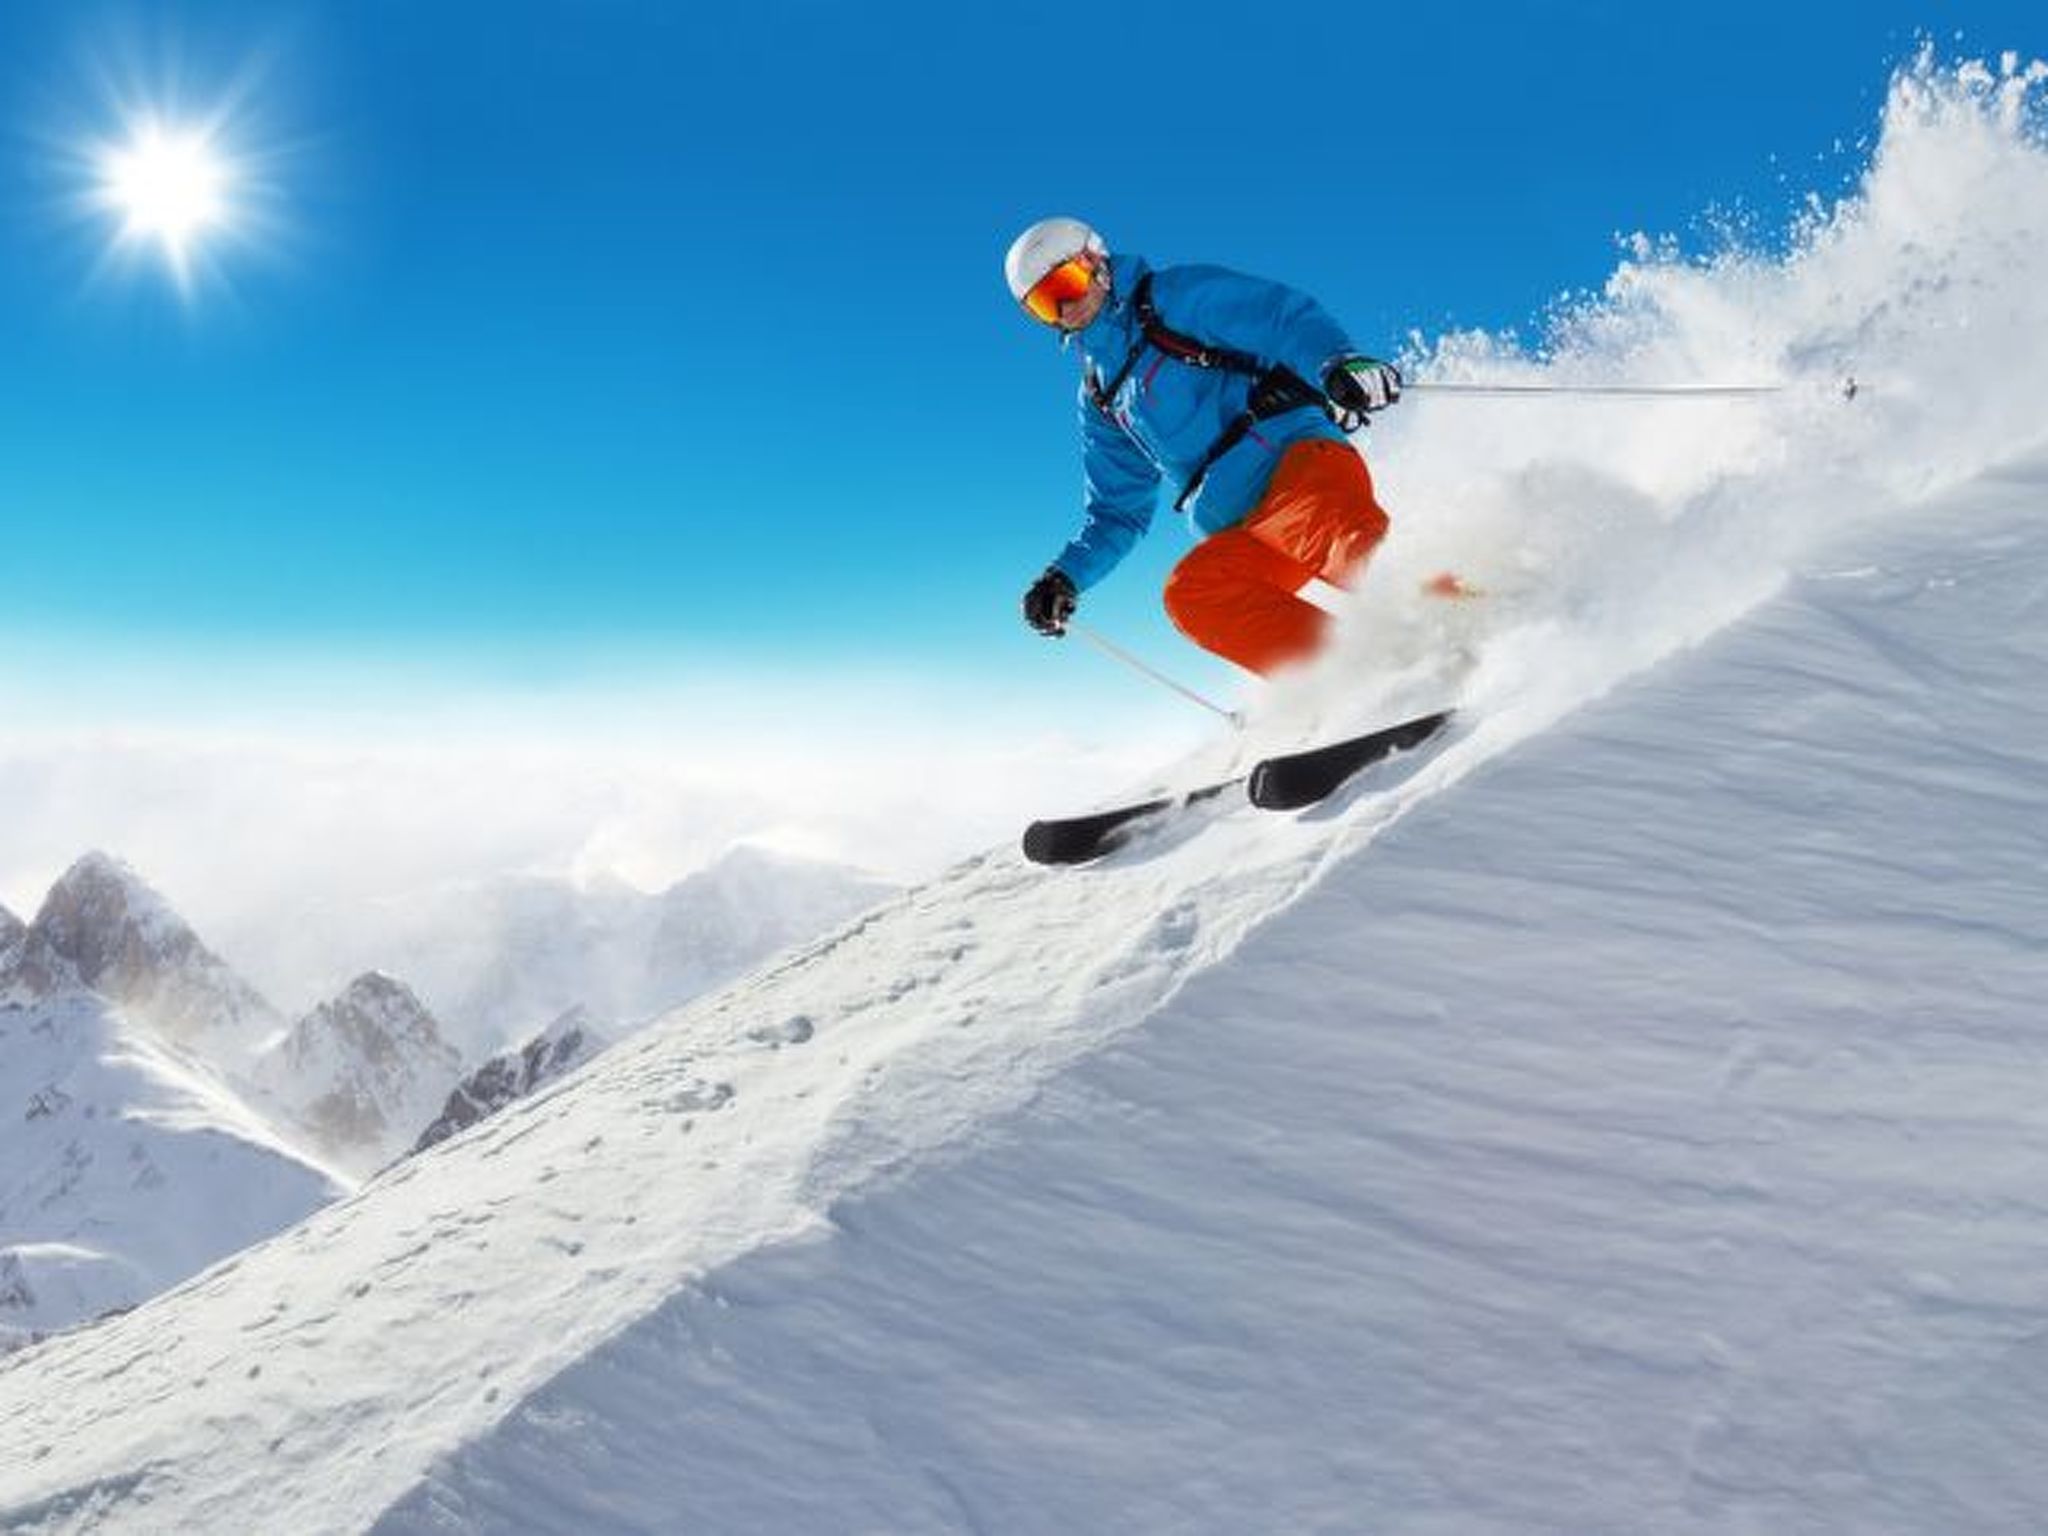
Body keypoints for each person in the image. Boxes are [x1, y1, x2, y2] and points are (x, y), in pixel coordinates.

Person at [1008, 216, 1404, 677]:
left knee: (1347, 546)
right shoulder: (1100, 396)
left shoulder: (1171, 299)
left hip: (1295, 466)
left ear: (1096, 262)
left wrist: (1336, 362)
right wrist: (1065, 576)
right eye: (1044, 303)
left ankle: (1467, 611)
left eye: (1066, 283)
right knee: (1194, 594)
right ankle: (1361, 680)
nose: (1065, 308)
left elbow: (1279, 318)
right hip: (1243, 527)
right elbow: (1118, 512)